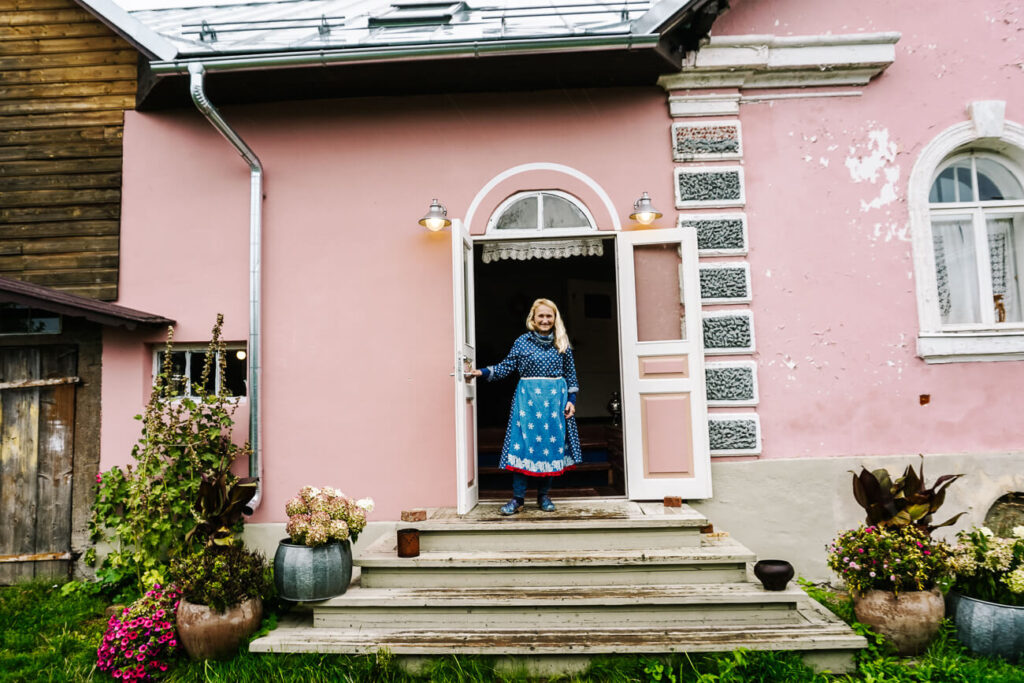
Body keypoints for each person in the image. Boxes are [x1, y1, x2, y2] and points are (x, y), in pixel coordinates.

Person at [469, 298, 582, 514]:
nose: (545, 320)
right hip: (527, 404)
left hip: (554, 404)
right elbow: (506, 366)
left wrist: (571, 401)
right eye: (541, 315)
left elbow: (571, 375)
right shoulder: (522, 342)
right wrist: (481, 372)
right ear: (533, 318)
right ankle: (518, 499)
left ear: (555, 318)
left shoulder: (562, 343)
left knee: (550, 448)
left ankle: (544, 497)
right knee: (521, 446)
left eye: (549, 316)